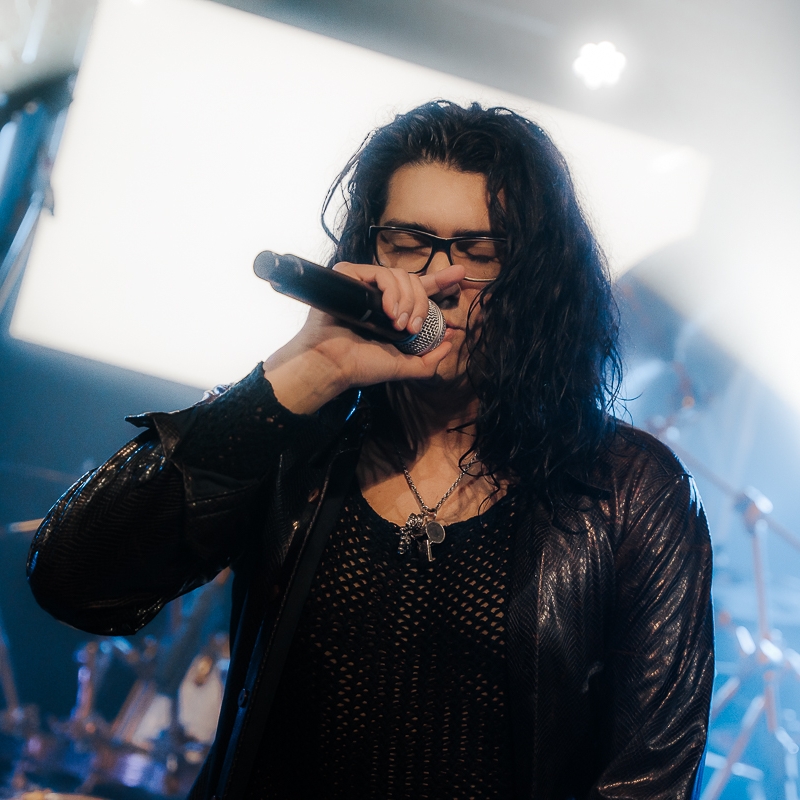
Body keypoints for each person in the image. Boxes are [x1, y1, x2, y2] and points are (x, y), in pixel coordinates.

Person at [28, 101, 714, 799]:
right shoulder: (299, 440)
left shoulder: (630, 489)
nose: (439, 281)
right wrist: (306, 373)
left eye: (479, 253)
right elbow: (74, 580)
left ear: (538, 279)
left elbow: (649, 778)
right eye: (409, 244)